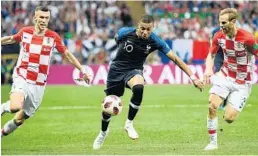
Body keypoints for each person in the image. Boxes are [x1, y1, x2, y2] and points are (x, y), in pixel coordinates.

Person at [93, 14, 204, 150]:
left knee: (139, 87)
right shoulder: (125, 32)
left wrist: (193, 77)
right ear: (138, 25)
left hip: (134, 70)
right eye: (142, 28)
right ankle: (103, 132)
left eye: (148, 30)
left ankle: (129, 124)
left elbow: (175, 58)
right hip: (116, 70)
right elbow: (117, 40)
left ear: (153, 28)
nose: (145, 32)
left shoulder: (155, 41)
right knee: (108, 107)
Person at [1, 6, 90, 138]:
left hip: (39, 85)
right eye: (41, 17)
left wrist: (82, 70)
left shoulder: (53, 37)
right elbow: (10, 39)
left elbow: (67, 54)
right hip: (23, 76)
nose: (44, 20)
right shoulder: (25, 32)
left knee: (20, 119)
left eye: (46, 18)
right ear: (35, 18)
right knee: (15, 106)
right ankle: (3, 108)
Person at [203, 8, 258, 150]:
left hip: (243, 81)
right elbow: (211, 54)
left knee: (229, 118)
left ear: (233, 22)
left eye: (224, 22)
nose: (221, 26)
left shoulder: (248, 38)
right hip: (225, 75)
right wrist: (208, 70)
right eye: (219, 22)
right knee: (212, 105)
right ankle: (213, 143)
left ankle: (229, 109)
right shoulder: (218, 36)